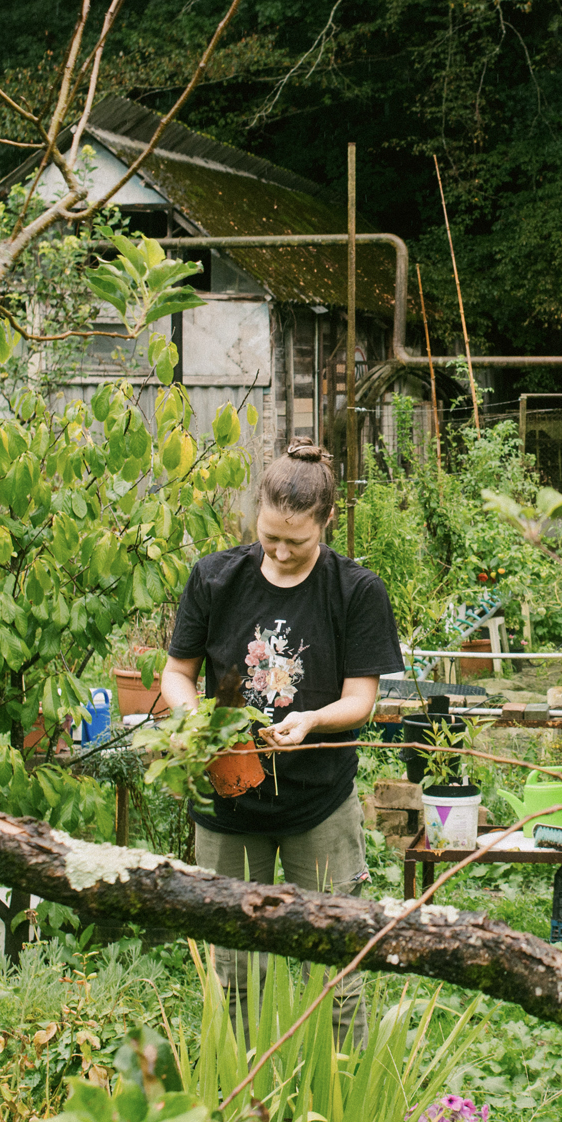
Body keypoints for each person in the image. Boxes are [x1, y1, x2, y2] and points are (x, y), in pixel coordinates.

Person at [160, 440, 402, 1033]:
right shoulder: (215, 578)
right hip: (228, 802)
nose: (281, 551)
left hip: (319, 802)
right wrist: (196, 722)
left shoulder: (356, 590)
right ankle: (246, 1099)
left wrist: (312, 720)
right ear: (256, 514)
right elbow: (177, 673)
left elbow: (360, 700)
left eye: (297, 540)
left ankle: (341, 1098)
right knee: (236, 970)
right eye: (270, 536)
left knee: (335, 967)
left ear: (327, 521)